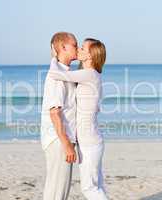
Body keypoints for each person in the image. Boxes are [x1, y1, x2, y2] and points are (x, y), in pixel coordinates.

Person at [49, 38, 108, 200]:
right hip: (91, 140)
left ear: (90, 56)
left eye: (82, 48)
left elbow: (56, 74)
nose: (78, 50)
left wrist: (55, 56)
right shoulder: (90, 75)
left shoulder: (88, 74)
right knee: (97, 186)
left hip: (89, 142)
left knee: (89, 188)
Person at [39, 32, 78, 200]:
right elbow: (54, 112)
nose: (78, 48)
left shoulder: (64, 72)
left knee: (59, 187)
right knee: (57, 189)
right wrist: (67, 144)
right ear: (63, 47)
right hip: (58, 140)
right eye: (75, 45)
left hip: (62, 138)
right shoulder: (57, 76)